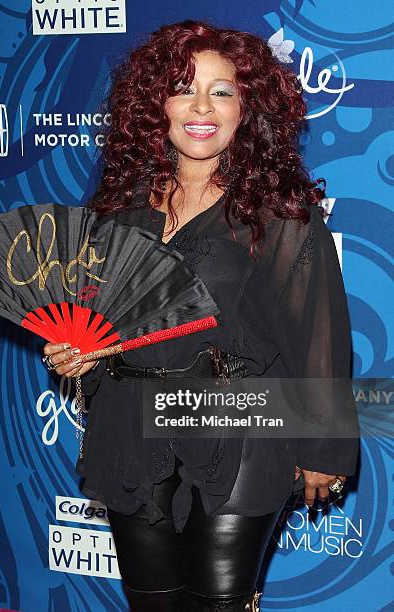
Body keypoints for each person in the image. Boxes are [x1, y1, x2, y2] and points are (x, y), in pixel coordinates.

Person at [41, 20, 359, 612]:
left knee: (217, 603)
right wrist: (77, 355)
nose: (201, 106)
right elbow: (97, 317)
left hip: (239, 425)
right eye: (183, 87)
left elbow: (319, 335)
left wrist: (324, 449)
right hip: (130, 426)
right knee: (152, 601)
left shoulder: (281, 212)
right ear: (155, 104)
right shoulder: (120, 202)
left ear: (247, 107)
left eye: (222, 90)